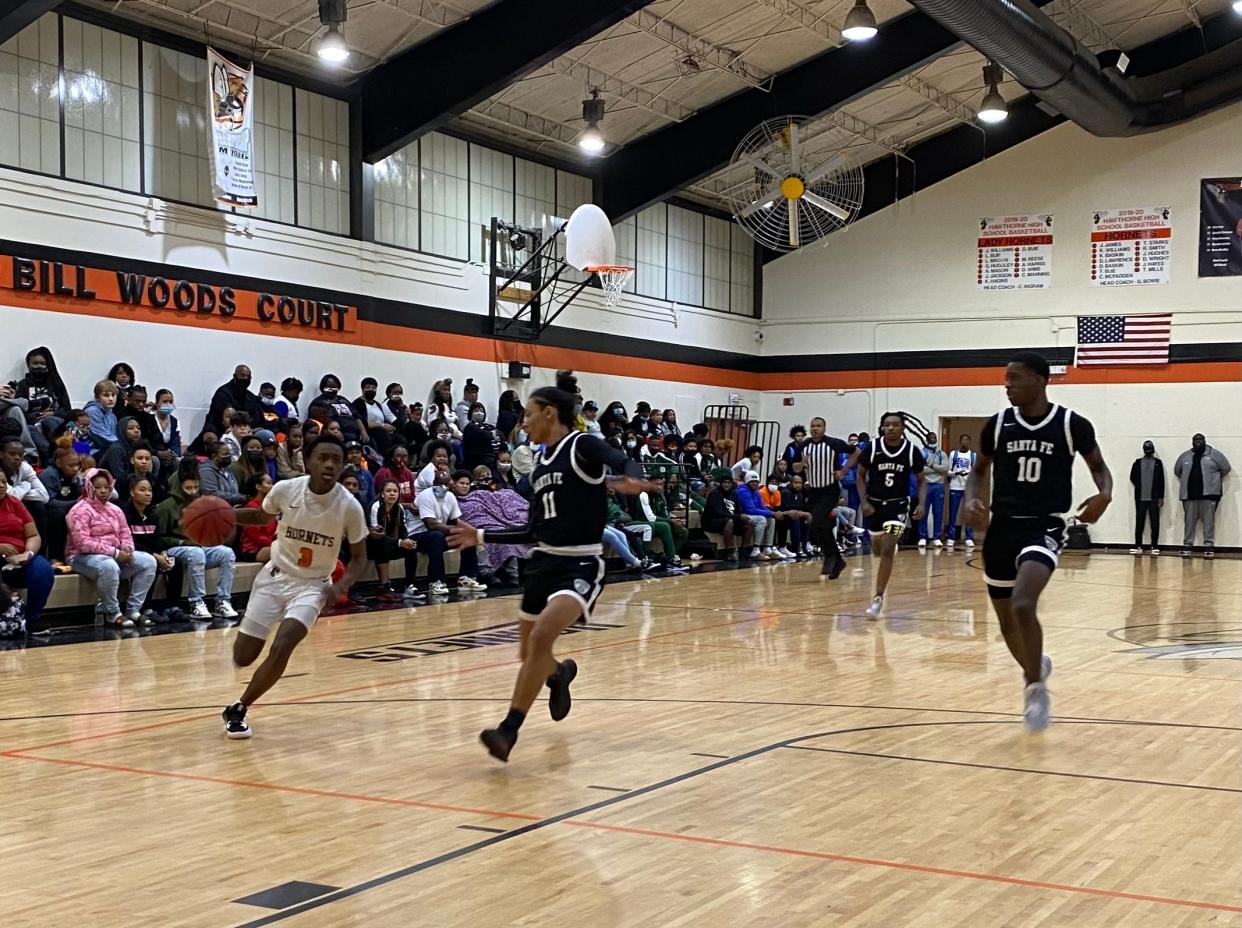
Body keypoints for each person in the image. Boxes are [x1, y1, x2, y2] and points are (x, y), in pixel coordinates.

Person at [447, 371, 652, 763]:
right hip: (542, 564)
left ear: (548, 413)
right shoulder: (539, 468)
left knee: (541, 638)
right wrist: (483, 536)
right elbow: (530, 530)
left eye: (527, 414)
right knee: (531, 655)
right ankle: (558, 674)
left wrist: (632, 478)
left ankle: (508, 730)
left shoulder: (581, 445)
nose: (522, 422)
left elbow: (621, 458)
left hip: (581, 562)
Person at [964, 352, 1112, 732]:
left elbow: (1098, 467)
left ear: (1040, 380)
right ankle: (1035, 663)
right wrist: (971, 499)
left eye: (1014, 378)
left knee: (1023, 603)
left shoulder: (1070, 424)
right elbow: (978, 471)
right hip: (1002, 528)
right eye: (1006, 378)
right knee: (1006, 622)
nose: (1007, 385)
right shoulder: (996, 426)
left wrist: (1104, 494)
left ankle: (1034, 687)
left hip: (1045, 524)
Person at [224, 435, 370, 738]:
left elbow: (359, 559)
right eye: (323, 457)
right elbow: (260, 516)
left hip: (313, 585)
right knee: (243, 656)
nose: (329, 464)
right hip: (274, 577)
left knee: (284, 643)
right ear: (309, 460)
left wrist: (340, 586)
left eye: (336, 460)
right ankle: (243, 675)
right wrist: (224, 514)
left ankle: (239, 708)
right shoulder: (285, 489)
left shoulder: (349, 507)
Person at [854, 413, 928, 618]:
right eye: (887, 425)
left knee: (887, 549)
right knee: (877, 549)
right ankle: (885, 544)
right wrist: (864, 502)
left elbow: (922, 480)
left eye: (895, 425)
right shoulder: (873, 448)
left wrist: (921, 503)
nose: (891, 428)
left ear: (903, 428)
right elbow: (860, 475)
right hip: (875, 505)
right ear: (882, 428)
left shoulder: (912, 451)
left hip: (898, 505)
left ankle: (878, 597)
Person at [66, 468, 158, 627]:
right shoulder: (79, 511)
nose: (103, 491)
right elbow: (83, 543)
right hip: (81, 557)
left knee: (148, 561)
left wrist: (128, 549)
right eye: (98, 487)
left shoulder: (115, 509)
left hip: (115, 556)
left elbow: (125, 532)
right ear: (89, 487)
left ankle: (134, 610)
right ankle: (113, 613)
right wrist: (115, 553)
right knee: (109, 566)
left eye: (106, 487)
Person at [154, 460, 239, 621]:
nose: (193, 492)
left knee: (226, 553)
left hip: (198, 546)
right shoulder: (166, 507)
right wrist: (184, 543)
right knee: (196, 553)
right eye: (188, 488)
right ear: (179, 487)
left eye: (195, 487)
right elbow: (160, 538)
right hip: (176, 549)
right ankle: (196, 602)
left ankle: (223, 601)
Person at [0, 468, 54, 633]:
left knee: (43, 571)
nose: (1, 485)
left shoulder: (15, 503)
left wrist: (28, 554)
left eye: (4, 482)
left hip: (18, 558)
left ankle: (32, 619)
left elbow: (33, 535)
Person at [416, 470, 487, 593]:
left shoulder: (450, 496)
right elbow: (431, 524)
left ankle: (466, 578)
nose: (442, 487)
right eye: (439, 484)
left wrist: (472, 531)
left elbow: (455, 520)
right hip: (417, 536)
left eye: (445, 484)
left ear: (450, 484)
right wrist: (456, 530)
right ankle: (436, 581)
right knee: (436, 535)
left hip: (437, 537)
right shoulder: (425, 496)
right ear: (433, 483)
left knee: (466, 535)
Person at [800, 417, 854, 579]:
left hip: (829, 490)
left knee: (817, 521)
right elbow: (795, 466)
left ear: (824, 428)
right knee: (818, 525)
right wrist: (800, 465)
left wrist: (843, 471)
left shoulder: (833, 443)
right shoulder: (804, 445)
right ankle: (837, 560)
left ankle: (831, 557)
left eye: (818, 426)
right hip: (813, 491)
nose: (815, 428)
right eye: (812, 426)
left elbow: (856, 452)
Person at [367, 479, 428, 601]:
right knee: (381, 542)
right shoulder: (376, 506)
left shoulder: (399, 508)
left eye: (395, 491)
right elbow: (376, 534)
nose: (392, 494)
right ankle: (384, 587)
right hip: (372, 546)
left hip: (392, 544)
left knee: (411, 546)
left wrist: (406, 541)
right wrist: (400, 542)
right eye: (388, 491)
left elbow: (403, 531)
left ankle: (409, 586)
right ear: (382, 494)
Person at [1174, 433, 1231, 559]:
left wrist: (1213, 480)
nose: (1198, 442)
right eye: (1195, 440)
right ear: (1192, 442)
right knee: (1189, 522)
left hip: (1209, 496)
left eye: (1200, 439)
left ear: (1205, 441)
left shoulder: (1214, 454)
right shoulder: (1185, 456)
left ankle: (1208, 546)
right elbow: (1177, 471)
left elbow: (1226, 468)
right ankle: (1187, 546)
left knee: (1209, 522)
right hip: (1189, 496)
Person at [630, 476, 689, 571]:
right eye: (656, 484)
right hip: (641, 522)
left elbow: (664, 515)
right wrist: (670, 521)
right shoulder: (643, 494)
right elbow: (650, 518)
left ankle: (667, 556)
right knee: (665, 526)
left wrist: (675, 521)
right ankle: (671, 560)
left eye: (661, 484)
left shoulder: (661, 496)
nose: (659, 487)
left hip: (656, 524)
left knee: (683, 531)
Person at [39, 443, 83, 562]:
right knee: (57, 514)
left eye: (77, 465)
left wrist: (77, 484)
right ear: (59, 463)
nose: (75, 468)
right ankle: (56, 557)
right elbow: (48, 502)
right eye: (71, 465)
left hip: (68, 508)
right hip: (50, 513)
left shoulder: (75, 476)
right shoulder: (49, 475)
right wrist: (74, 503)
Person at [1129, 441, 1165, 556]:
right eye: (1146, 447)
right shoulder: (1137, 463)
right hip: (1140, 498)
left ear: (1153, 449)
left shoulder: (1158, 463)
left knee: (1155, 523)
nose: (1148, 449)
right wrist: (1140, 486)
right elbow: (1132, 477)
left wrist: (1161, 496)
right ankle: (1138, 545)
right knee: (1139, 522)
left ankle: (1154, 545)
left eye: (1150, 447)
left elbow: (1161, 481)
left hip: (1154, 498)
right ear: (1143, 449)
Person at [206, 365, 263, 436]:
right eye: (242, 375)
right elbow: (225, 419)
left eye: (248, 377)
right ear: (234, 376)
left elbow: (256, 418)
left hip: (247, 431)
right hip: (220, 431)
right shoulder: (223, 393)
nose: (246, 378)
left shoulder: (251, 397)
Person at [918, 432, 949, 548]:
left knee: (938, 512)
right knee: (923, 512)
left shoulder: (942, 454)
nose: (932, 439)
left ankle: (937, 537)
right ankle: (922, 537)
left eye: (934, 437)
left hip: (938, 485)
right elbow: (920, 469)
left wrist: (931, 466)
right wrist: (937, 468)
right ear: (927, 439)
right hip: (925, 485)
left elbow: (945, 469)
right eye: (930, 438)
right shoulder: (922, 452)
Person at [239, 473, 277, 563]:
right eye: (269, 483)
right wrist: (275, 544)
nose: (273, 486)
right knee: (282, 552)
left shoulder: (270, 507)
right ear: (258, 487)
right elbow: (257, 537)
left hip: (269, 546)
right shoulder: (250, 507)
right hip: (252, 549)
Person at [946, 434, 976, 550]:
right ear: (960, 441)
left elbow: (975, 473)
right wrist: (956, 473)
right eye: (963, 439)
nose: (965, 441)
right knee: (953, 513)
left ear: (970, 442)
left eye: (967, 439)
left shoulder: (973, 455)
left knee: (969, 512)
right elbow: (948, 471)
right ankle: (951, 537)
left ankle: (969, 537)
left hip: (968, 488)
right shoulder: (954, 454)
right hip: (955, 486)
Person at [354, 377, 396, 452]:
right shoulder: (358, 403)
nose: (371, 390)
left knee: (399, 438)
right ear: (362, 389)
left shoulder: (377, 404)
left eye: (373, 388)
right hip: (369, 431)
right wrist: (382, 425)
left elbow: (384, 419)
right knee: (382, 434)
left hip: (383, 430)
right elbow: (363, 422)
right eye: (368, 387)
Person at [84, 379, 120, 454]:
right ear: (97, 398)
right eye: (106, 395)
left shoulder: (112, 415)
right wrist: (120, 445)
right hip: (91, 451)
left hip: (107, 449)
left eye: (113, 395)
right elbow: (100, 436)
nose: (111, 399)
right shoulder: (92, 411)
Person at [151, 389, 182, 470]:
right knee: (155, 461)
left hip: (168, 455)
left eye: (170, 402)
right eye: (165, 401)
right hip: (154, 454)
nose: (168, 404)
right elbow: (147, 442)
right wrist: (159, 453)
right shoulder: (149, 419)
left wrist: (172, 454)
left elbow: (176, 442)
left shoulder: (175, 421)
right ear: (157, 403)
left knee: (177, 461)